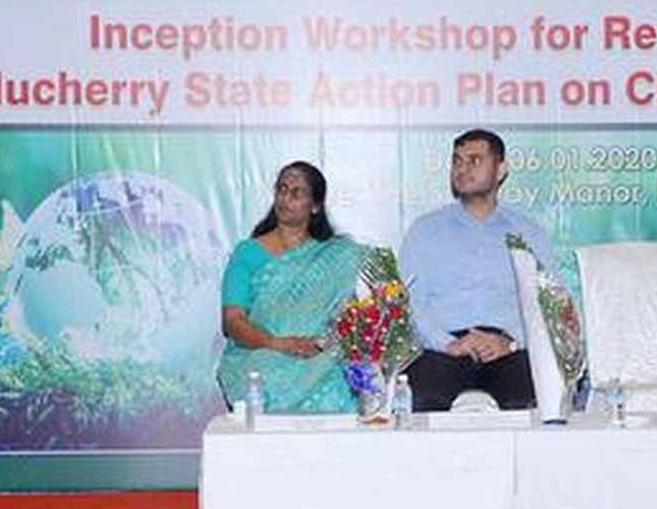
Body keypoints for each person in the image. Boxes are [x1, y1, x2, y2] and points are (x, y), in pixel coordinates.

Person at [400, 129, 561, 411]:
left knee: (529, 399)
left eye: (474, 160)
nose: (462, 168)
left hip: (507, 349)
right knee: (423, 398)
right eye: (457, 161)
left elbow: (548, 303)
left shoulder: (528, 233)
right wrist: (448, 344)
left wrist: (511, 342)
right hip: (443, 350)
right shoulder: (424, 230)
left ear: (501, 170)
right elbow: (408, 302)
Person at [216, 160, 370, 413]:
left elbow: (354, 316)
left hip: (320, 358)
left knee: (341, 384)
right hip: (262, 354)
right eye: (282, 189)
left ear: (315, 205)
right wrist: (279, 343)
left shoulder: (336, 257)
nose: (285, 198)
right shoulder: (248, 253)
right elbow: (232, 321)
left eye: (296, 193)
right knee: (264, 381)